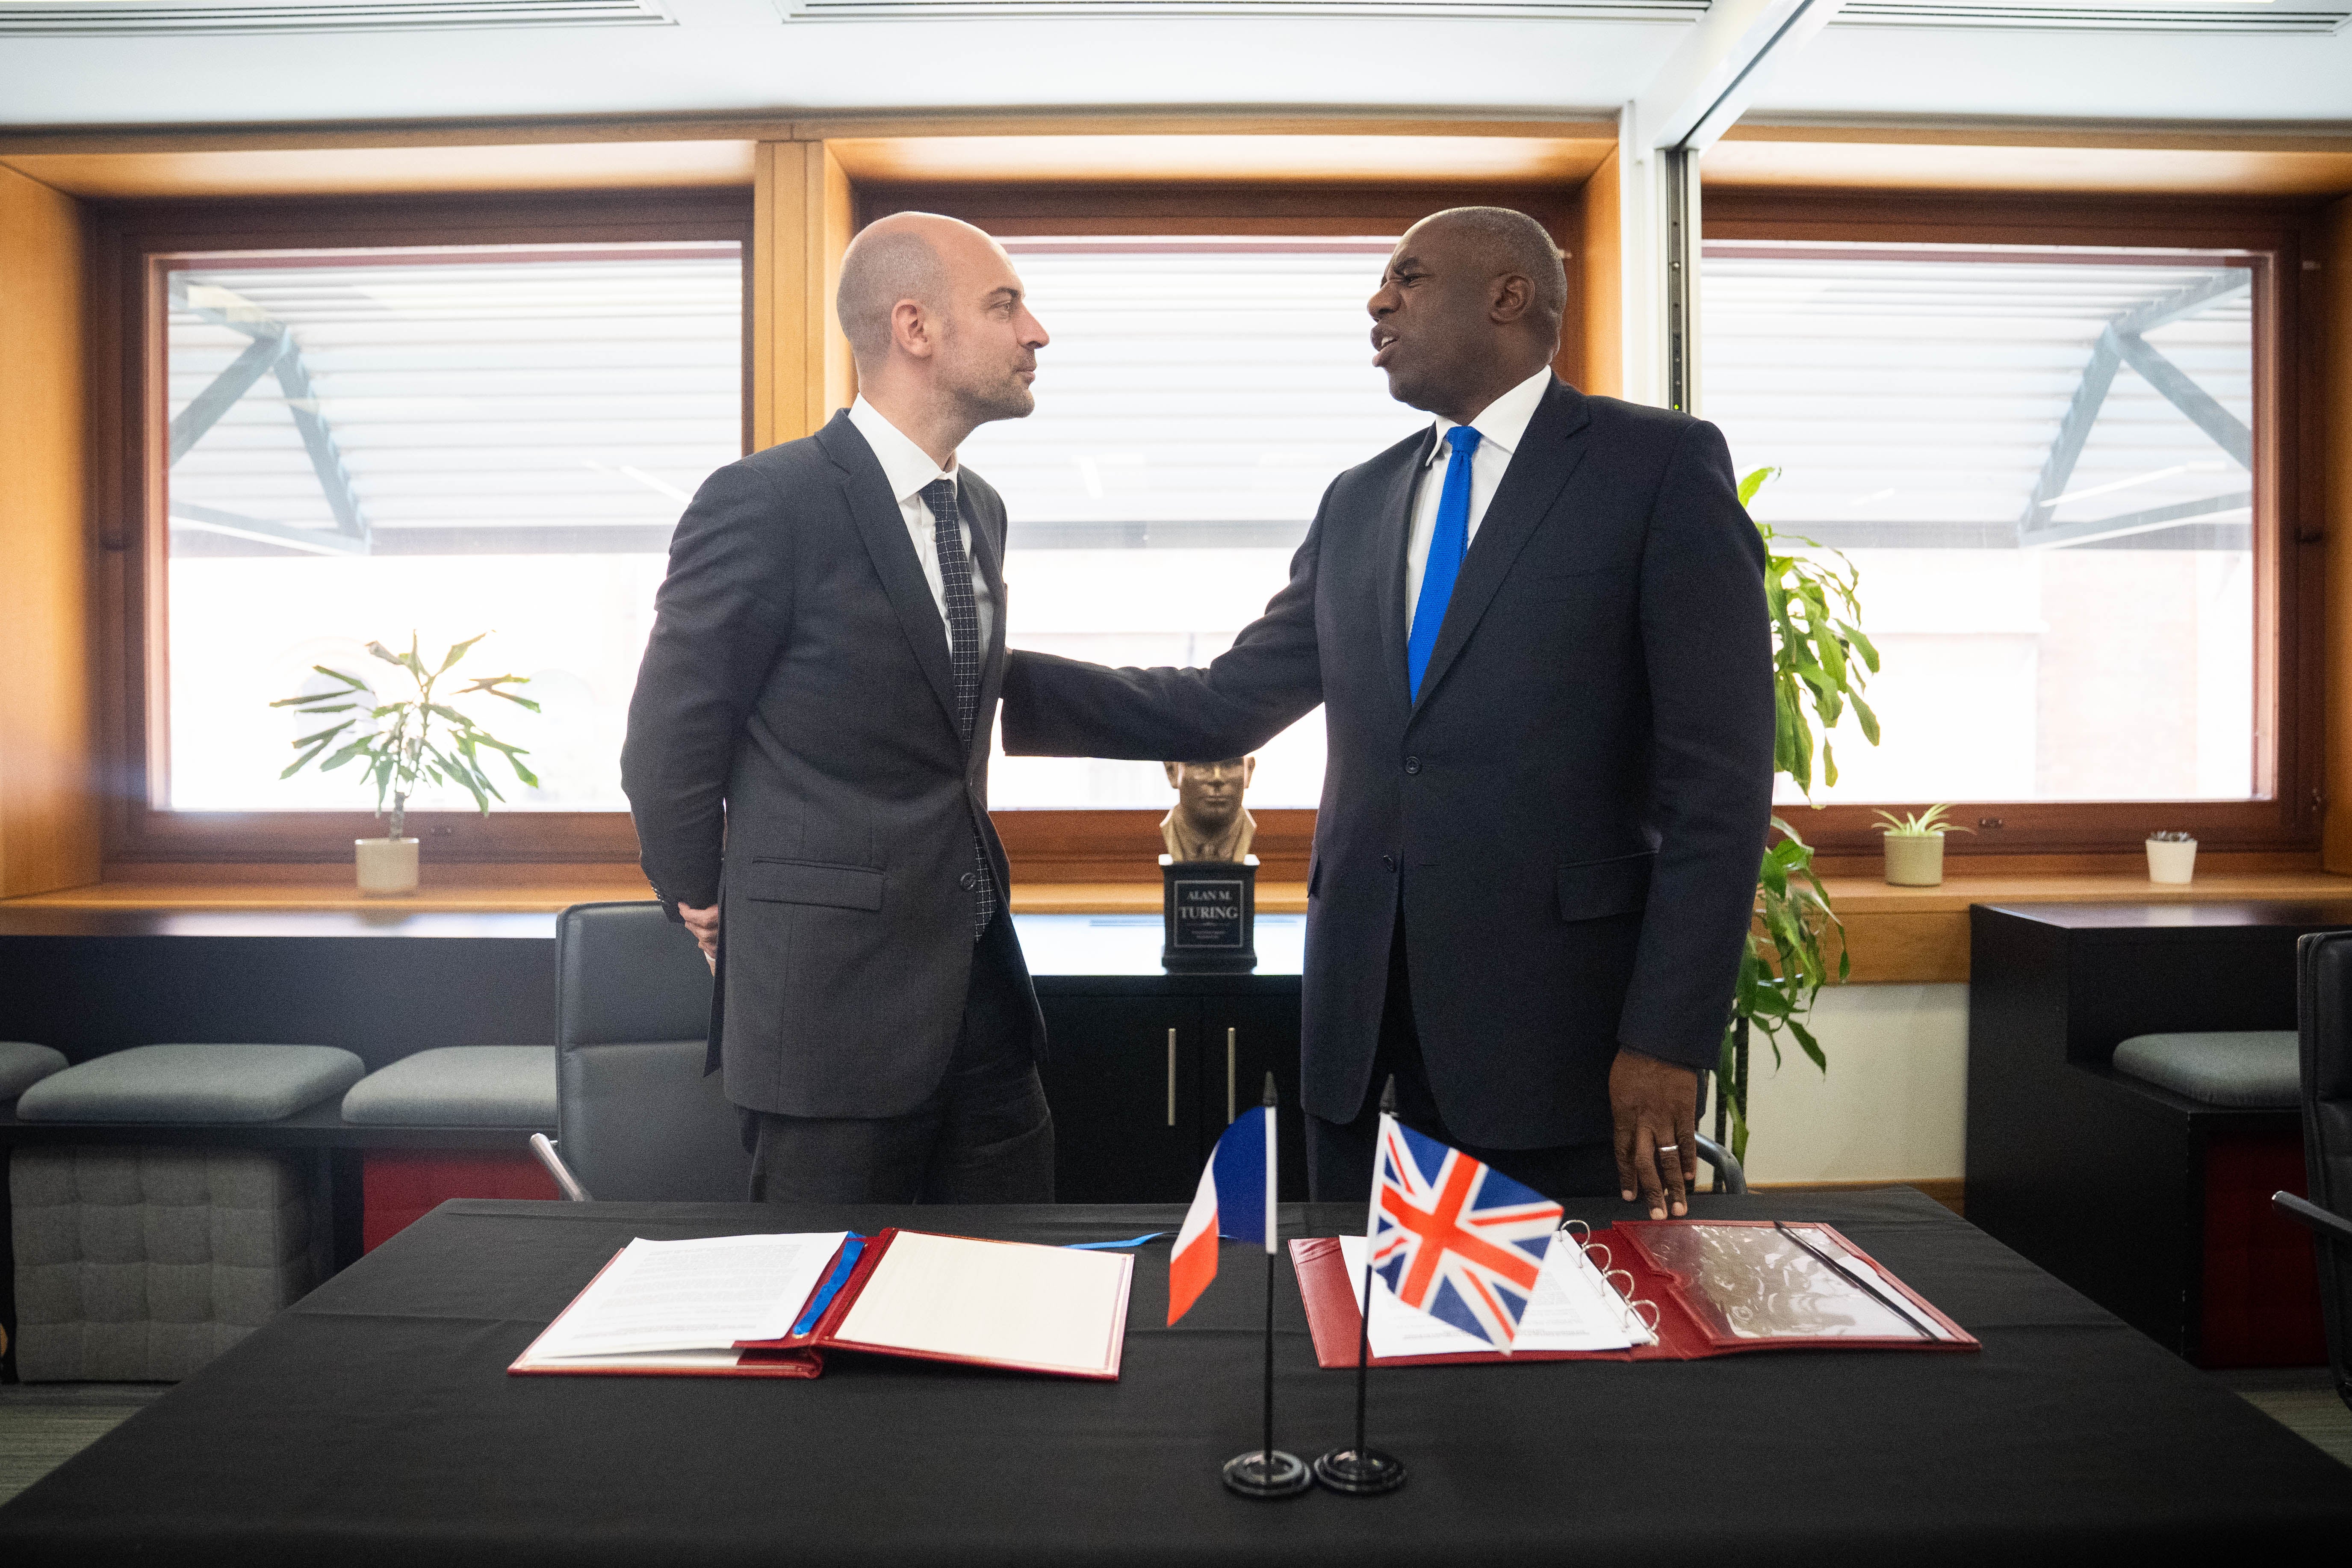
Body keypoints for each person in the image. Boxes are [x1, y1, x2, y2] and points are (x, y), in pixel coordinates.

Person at [1002, 207, 1772, 1219]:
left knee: (1550, 1350)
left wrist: (1668, 1037)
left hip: (1556, 1041)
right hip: (1358, 1044)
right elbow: (1226, 702)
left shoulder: (1656, 469)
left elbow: (1719, 789)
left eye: (1407, 276)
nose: (1378, 299)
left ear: (1509, 294)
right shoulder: (1358, 500)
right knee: (1357, 1350)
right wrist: (989, 675)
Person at [620, 212, 1056, 1205]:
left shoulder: (978, 508)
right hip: (828, 1023)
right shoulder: (765, 502)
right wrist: (704, 900)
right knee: (831, 1330)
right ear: (916, 327)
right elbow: (667, 744)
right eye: (1005, 305)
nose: (1037, 332)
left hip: (986, 1007)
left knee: (1015, 1311)